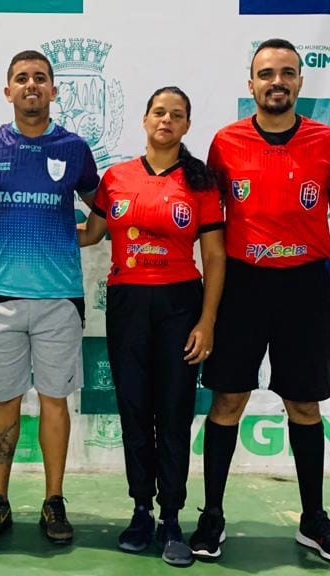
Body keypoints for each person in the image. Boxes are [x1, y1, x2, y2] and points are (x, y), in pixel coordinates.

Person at [190, 38, 330, 562]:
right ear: (250, 85)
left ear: (299, 81)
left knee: (304, 404)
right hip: (244, 286)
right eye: (266, 73)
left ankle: (314, 520)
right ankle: (212, 516)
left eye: (287, 73)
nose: (277, 81)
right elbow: (208, 224)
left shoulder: (324, 139)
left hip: (306, 287)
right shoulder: (225, 143)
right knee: (228, 401)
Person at [79, 86, 225, 566]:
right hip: (128, 303)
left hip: (181, 305)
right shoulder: (116, 177)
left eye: (176, 115)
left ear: (186, 126)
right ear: (144, 120)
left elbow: (216, 257)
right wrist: (35, 221)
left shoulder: (200, 182)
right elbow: (93, 234)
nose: (166, 120)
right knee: (135, 411)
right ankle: (141, 510)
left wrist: (206, 320)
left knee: (174, 412)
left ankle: (171, 518)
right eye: (159, 112)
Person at [0, 50, 99, 544]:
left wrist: (83, 235)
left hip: (60, 298)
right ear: (8, 91)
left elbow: (101, 208)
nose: (31, 86)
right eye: (21, 78)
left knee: (54, 403)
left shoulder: (75, 147)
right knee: (3, 403)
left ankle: (53, 501)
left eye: (40, 78)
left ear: (52, 90)